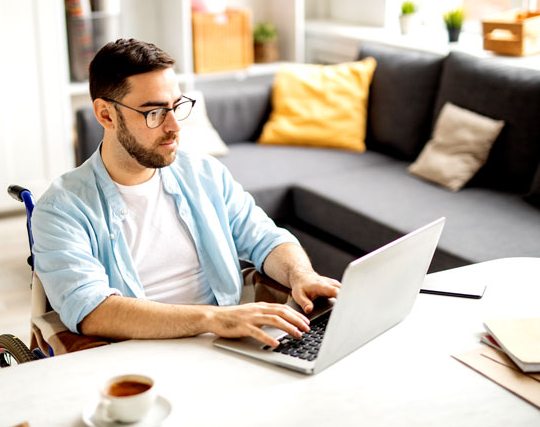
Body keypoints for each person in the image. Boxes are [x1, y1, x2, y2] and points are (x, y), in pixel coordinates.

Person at [31, 38, 340, 348]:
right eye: (154, 113)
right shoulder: (60, 209)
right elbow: (93, 310)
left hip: (230, 344)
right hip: (140, 361)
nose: (175, 126)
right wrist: (212, 319)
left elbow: (266, 238)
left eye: (176, 106)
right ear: (106, 115)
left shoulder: (205, 174)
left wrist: (302, 275)